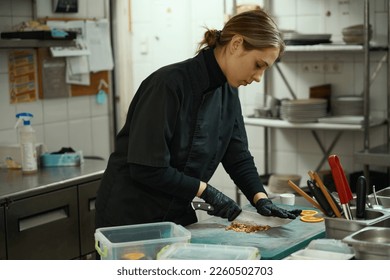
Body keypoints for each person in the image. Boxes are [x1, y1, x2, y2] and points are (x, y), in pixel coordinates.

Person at [95, 9, 301, 229]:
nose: (258, 77)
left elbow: (237, 154)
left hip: (176, 212)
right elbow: (147, 167)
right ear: (236, 44)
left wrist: (260, 197)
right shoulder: (168, 85)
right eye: (258, 65)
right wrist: (207, 191)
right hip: (131, 215)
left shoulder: (228, 90)